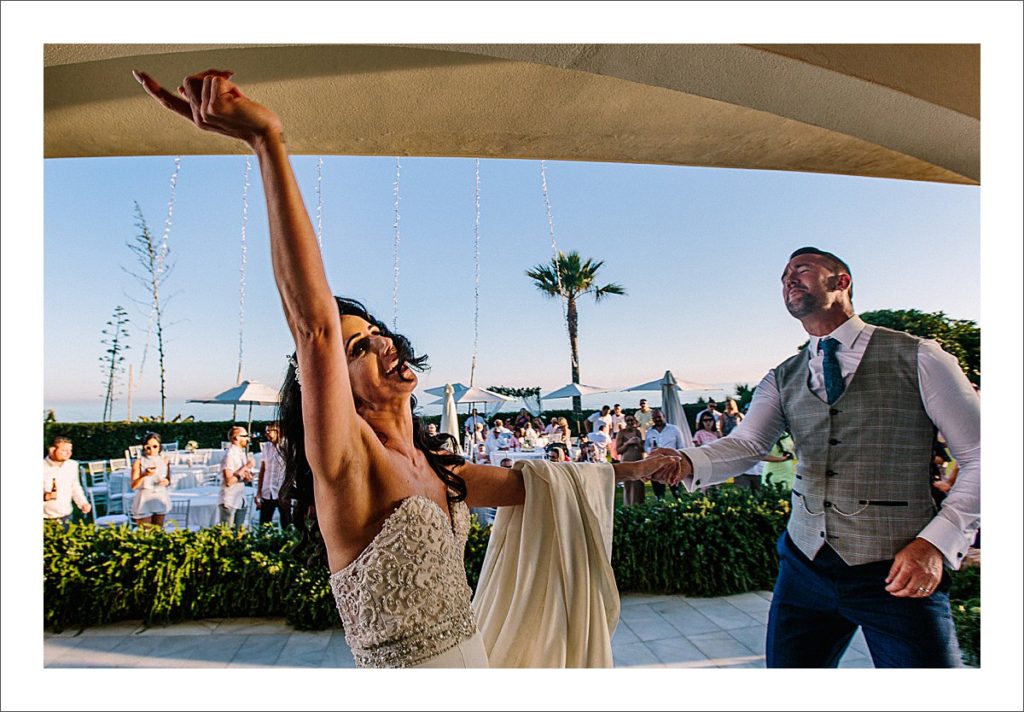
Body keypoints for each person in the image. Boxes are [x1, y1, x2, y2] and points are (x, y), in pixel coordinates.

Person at [137, 68, 681, 669]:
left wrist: (638, 466)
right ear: (330, 392)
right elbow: (313, 326)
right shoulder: (348, 465)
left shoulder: (438, 469)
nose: (381, 344)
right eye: (356, 350)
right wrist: (267, 142)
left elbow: (539, 486)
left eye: (374, 334)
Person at [654, 247, 979, 668]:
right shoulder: (782, 375)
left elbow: (984, 455)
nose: (789, 279)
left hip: (899, 568)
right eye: (784, 275)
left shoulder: (920, 356)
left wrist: (936, 544)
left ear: (841, 281)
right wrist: (685, 461)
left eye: (802, 269)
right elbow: (749, 444)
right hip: (804, 565)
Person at [43, 435, 90, 524]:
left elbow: (75, 486)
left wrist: (83, 503)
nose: (69, 453)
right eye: (64, 451)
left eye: (70, 450)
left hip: (66, 516)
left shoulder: (72, 465)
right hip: (45, 519)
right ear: (52, 450)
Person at [130, 432, 172, 527]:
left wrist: (166, 481)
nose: (151, 450)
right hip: (144, 498)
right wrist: (144, 475)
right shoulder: (139, 462)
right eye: (148, 447)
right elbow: (133, 485)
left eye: (155, 446)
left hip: (160, 496)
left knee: (159, 531)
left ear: (159, 447)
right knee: (146, 532)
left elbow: (168, 479)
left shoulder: (165, 460)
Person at [643, 409, 687, 500]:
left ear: (664, 417)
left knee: (676, 489)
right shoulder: (650, 432)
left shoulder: (674, 429)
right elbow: (646, 446)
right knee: (658, 491)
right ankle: (660, 506)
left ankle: (681, 505)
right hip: (656, 464)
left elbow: (681, 446)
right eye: (654, 418)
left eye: (659, 417)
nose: (657, 419)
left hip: (672, 463)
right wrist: (649, 450)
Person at [257, 422, 292, 527]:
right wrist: (259, 492)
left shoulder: (287, 446)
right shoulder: (266, 447)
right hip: (267, 491)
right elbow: (262, 470)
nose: (267, 434)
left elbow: (291, 470)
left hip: (282, 491)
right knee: (264, 523)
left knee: (286, 523)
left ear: (278, 432)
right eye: (266, 431)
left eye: (269, 431)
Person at [219, 425, 255, 527]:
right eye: (245, 436)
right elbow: (229, 481)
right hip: (229, 501)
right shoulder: (230, 455)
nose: (248, 439)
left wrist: (247, 477)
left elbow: (239, 477)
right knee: (227, 535)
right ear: (236, 438)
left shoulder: (241, 453)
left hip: (240, 500)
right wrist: (246, 467)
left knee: (239, 535)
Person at [614, 414, 646, 505]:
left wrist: (638, 443)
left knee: (638, 483)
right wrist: (628, 443)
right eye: (628, 420)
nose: (630, 422)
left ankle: (639, 504)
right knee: (628, 483)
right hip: (627, 460)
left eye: (631, 420)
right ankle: (628, 504)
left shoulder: (638, 432)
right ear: (625, 421)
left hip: (638, 459)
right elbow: (619, 450)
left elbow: (643, 449)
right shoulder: (621, 433)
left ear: (634, 421)